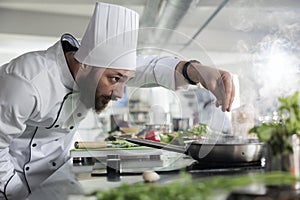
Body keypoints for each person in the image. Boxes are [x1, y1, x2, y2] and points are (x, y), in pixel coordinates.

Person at [0, 2, 235, 200]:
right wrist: (18, 194)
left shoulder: (95, 69)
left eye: (126, 80)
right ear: (84, 66)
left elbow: (151, 68)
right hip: (12, 185)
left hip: (56, 177)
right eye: (114, 79)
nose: (120, 93)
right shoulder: (26, 81)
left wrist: (197, 71)